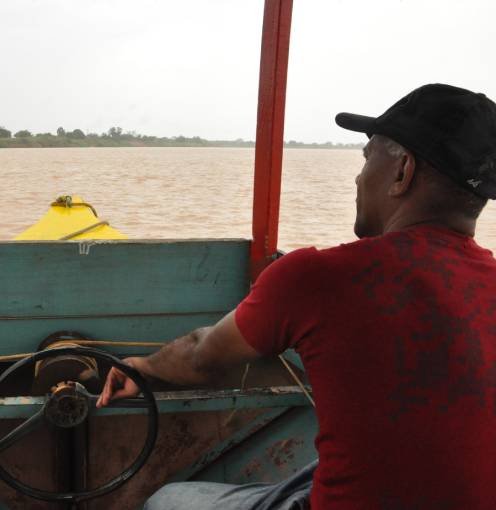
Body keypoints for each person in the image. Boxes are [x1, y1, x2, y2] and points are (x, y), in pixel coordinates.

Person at [97, 84, 496, 510]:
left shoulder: (319, 276)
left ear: (402, 171)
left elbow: (201, 355)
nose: (358, 177)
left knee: (170, 500)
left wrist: (141, 367)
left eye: (366, 159)